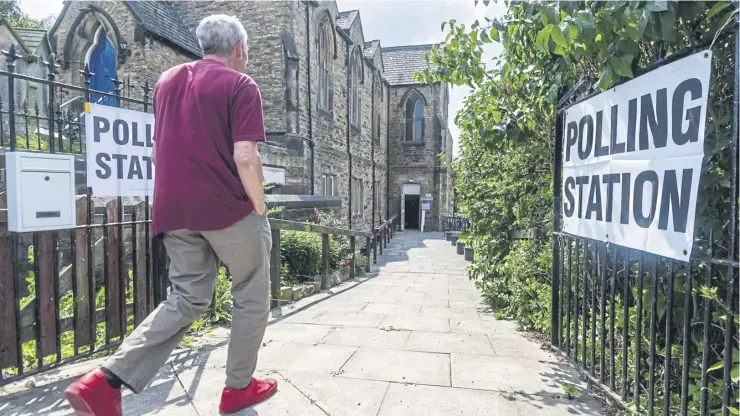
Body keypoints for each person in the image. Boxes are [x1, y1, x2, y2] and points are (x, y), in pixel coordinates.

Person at [64, 15, 276, 416]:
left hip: (174, 208)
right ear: (237, 49)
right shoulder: (241, 84)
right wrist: (260, 207)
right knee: (251, 293)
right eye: (245, 52)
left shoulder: (168, 81)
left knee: (188, 298)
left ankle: (103, 382)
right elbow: (245, 155)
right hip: (227, 208)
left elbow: (159, 149)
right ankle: (238, 388)